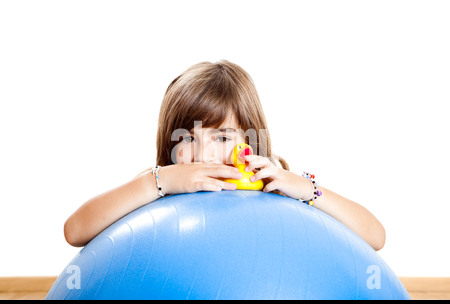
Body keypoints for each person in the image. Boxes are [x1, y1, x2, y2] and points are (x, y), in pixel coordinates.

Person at [64, 60, 385, 251]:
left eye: (221, 136)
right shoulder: (160, 182)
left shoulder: (273, 183)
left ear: (249, 139)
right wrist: (155, 184)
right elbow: (75, 232)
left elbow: (375, 237)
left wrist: (307, 190)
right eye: (188, 137)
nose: (204, 153)